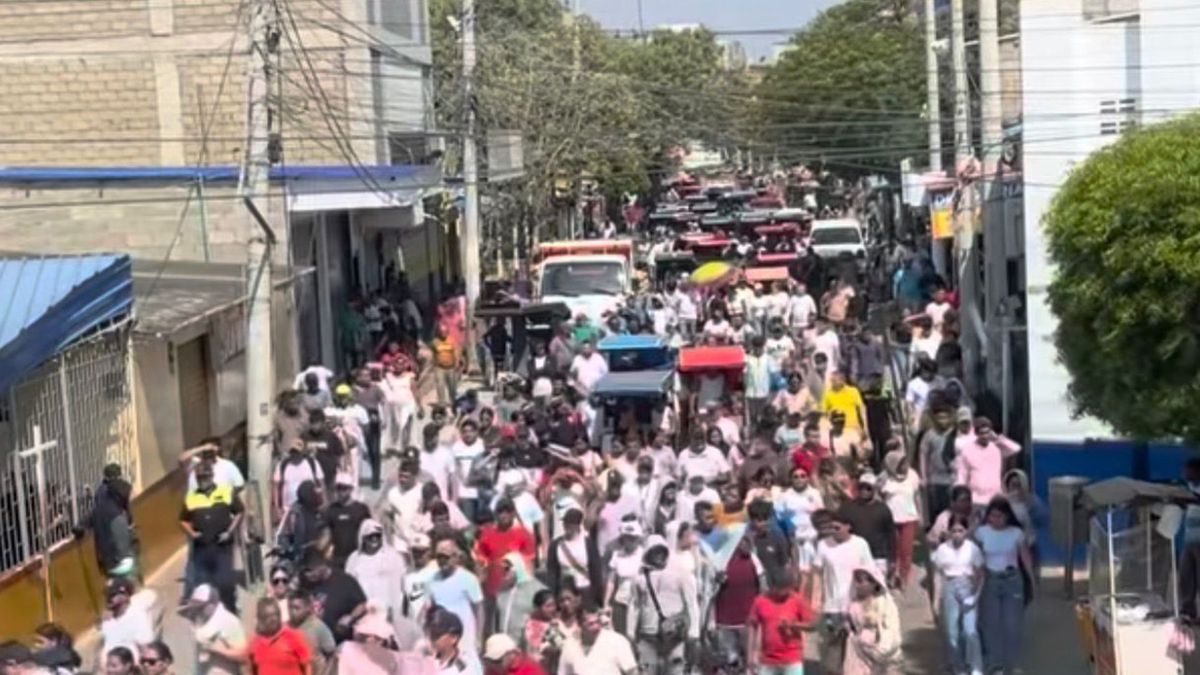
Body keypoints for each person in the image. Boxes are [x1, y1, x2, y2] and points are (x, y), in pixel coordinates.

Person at [626, 535, 700, 675]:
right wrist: (629, 632)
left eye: (661, 551)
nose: (659, 555)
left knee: (675, 671)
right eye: (655, 551)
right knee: (647, 671)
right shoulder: (639, 577)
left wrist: (693, 632)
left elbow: (691, 603)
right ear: (648, 552)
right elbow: (634, 604)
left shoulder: (681, 573)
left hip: (674, 635)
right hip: (647, 635)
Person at [976, 497, 1034, 674]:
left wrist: (1030, 580)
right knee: (991, 624)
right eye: (992, 516)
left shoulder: (1016, 533)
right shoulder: (981, 532)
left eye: (999, 516)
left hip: (1012, 580)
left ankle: (1013, 663)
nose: (995, 520)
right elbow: (975, 557)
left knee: (1012, 624)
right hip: (990, 580)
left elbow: (1025, 558)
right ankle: (995, 664)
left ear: (1007, 516)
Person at [812, 510, 875, 672]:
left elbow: (869, 573)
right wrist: (816, 600)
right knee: (832, 652)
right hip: (832, 608)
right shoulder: (823, 545)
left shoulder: (860, 544)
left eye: (838, 528)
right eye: (832, 528)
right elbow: (818, 574)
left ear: (848, 527)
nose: (834, 531)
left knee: (859, 651)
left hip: (856, 606)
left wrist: (870, 600)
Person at [180, 460, 243, 614]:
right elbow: (183, 520)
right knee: (203, 585)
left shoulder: (226, 492)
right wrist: (192, 533)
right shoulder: (191, 497)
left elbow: (239, 512)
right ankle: (208, 614)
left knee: (225, 582)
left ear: (211, 476)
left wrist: (230, 531)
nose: (202, 481)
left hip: (222, 546)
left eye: (205, 477)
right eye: (199, 478)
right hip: (202, 548)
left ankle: (231, 610)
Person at [933, 514, 985, 675]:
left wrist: (976, 596)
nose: (957, 534)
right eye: (953, 530)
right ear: (948, 532)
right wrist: (936, 599)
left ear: (966, 531)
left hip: (968, 585)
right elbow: (937, 575)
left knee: (970, 631)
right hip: (949, 586)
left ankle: (976, 666)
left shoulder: (972, 549)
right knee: (952, 632)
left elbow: (981, 574)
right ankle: (959, 667)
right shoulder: (942, 550)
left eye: (960, 530)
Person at [746, 568, 814, 675]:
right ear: (773, 587)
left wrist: (793, 625)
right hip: (768, 660)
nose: (784, 594)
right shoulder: (760, 601)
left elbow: (812, 625)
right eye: (782, 590)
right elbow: (752, 627)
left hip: (792, 658)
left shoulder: (796, 600)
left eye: (787, 590)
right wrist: (750, 657)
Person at [427, 537, 485, 654]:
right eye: (439, 558)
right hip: (442, 640)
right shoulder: (432, 580)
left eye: (446, 558)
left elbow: (479, 609)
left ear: (455, 558)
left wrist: (478, 638)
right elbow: (430, 610)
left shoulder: (468, 579)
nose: (442, 562)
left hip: (466, 640)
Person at [843, 566, 902, 675]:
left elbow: (892, 628)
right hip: (857, 651)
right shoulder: (853, 603)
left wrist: (880, 645)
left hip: (880, 650)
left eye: (861, 581)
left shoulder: (884, 602)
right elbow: (851, 625)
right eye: (855, 580)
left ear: (873, 583)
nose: (857, 584)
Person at [299, 549, 368, 643]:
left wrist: (350, 617)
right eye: (304, 571)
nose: (307, 575)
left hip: (340, 643)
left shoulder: (345, 581)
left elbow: (362, 604)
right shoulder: (305, 583)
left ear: (321, 564)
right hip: (314, 643)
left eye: (310, 570)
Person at [345, 518, 407, 620]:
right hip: (363, 613)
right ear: (363, 538)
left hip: (390, 613)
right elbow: (349, 587)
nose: (374, 539)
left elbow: (402, 586)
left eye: (377, 535)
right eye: (370, 536)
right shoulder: (354, 559)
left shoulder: (394, 557)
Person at [955, 417, 1022, 511]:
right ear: (976, 433)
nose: (985, 436)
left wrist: (997, 438)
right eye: (981, 433)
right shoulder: (966, 450)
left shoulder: (997, 447)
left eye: (987, 432)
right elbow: (961, 475)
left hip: (995, 499)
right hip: (975, 500)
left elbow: (1016, 448)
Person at [878, 447, 921, 589]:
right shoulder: (884, 478)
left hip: (909, 518)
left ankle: (903, 578)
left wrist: (920, 514)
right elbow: (879, 497)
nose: (905, 466)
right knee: (893, 550)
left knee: (906, 551)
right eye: (901, 464)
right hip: (891, 519)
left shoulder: (913, 476)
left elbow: (916, 496)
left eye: (906, 463)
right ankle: (891, 575)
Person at [837, 474, 894, 580]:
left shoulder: (883, 509)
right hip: (854, 556)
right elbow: (838, 528)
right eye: (862, 487)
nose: (864, 491)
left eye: (868, 488)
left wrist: (892, 560)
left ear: (874, 490)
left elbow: (891, 535)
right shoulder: (847, 508)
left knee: (879, 589)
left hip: (878, 557)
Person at [181, 584, 247, 675]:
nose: (198, 610)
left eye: (201, 607)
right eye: (195, 607)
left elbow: (243, 656)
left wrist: (217, 649)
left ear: (212, 604)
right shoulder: (200, 621)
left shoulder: (229, 622)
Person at [557, 603, 638, 675]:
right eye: (591, 624)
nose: (596, 627)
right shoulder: (570, 646)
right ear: (580, 624)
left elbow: (632, 671)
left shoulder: (617, 641)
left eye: (598, 622)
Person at [248, 597, 312, 675]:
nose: (273, 619)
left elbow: (307, 665)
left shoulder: (293, 636)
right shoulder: (254, 642)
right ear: (260, 619)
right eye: (268, 616)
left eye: (276, 614)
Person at [99, 578, 155, 665]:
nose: (108, 598)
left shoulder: (137, 615)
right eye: (107, 595)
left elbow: (146, 649)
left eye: (112, 594)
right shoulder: (107, 619)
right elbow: (104, 645)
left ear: (125, 596)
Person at [325, 473, 371, 567]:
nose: (341, 492)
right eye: (338, 488)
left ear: (351, 489)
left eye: (344, 488)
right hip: (337, 558)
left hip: (357, 556)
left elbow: (369, 531)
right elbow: (327, 534)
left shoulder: (361, 509)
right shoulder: (331, 510)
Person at [288, 590, 337, 673]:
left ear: (308, 608)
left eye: (297, 608)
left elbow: (332, 656)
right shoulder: (286, 627)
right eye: (290, 607)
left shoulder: (318, 627)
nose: (292, 612)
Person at [428, 610, 484, 675]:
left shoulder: (465, 667)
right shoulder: (427, 659)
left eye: (436, 634)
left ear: (453, 638)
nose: (431, 638)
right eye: (430, 632)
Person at [432, 323, 463, 405]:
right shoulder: (435, 341)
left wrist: (457, 364)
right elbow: (433, 353)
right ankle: (442, 402)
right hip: (439, 367)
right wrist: (434, 365)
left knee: (452, 386)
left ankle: (453, 401)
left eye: (445, 332)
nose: (443, 334)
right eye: (441, 332)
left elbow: (456, 352)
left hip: (451, 367)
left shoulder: (452, 340)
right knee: (440, 384)